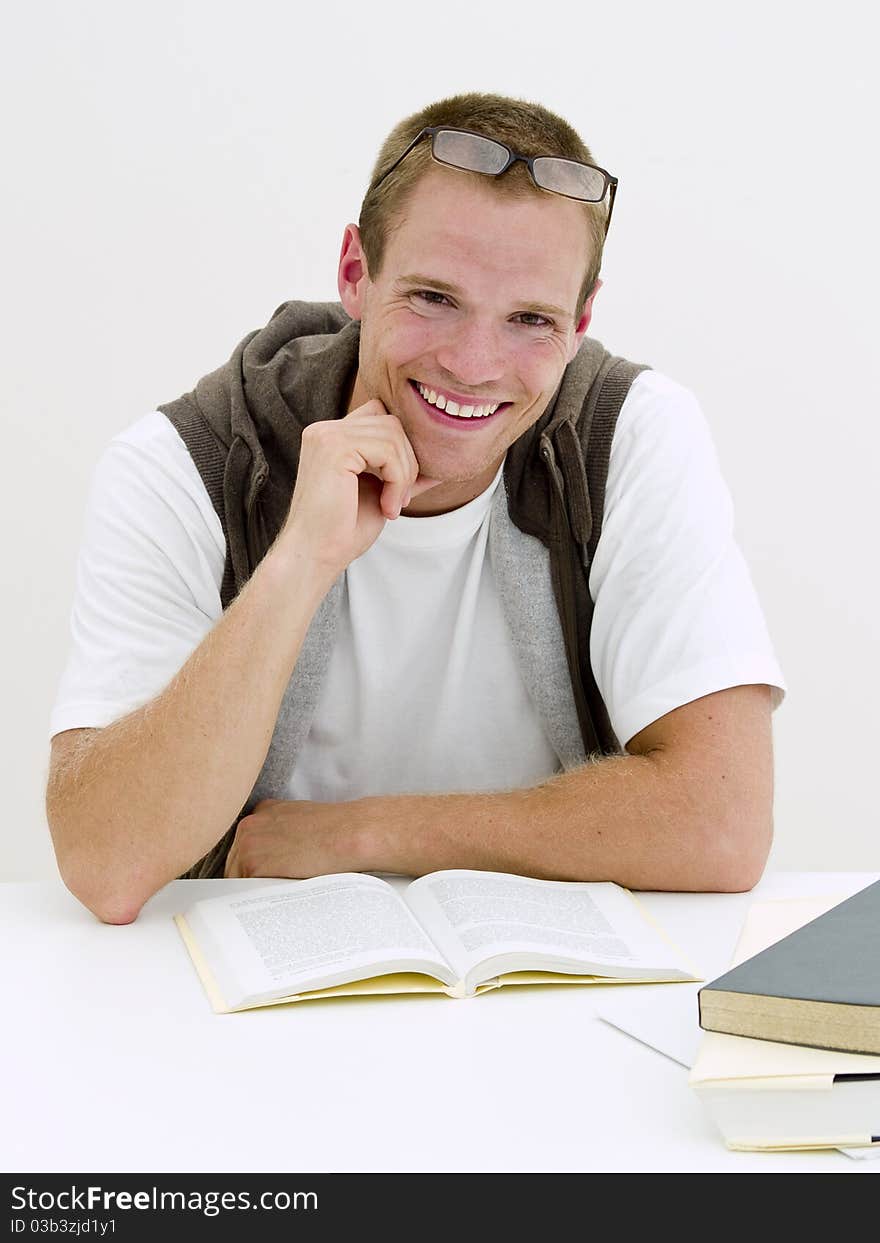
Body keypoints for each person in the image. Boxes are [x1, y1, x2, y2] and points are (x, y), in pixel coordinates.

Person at [46, 92, 786, 924]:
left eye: (530, 319)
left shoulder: (632, 435)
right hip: (243, 1002)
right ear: (357, 273)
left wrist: (365, 835)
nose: (474, 364)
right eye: (434, 297)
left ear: (580, 322)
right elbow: (105, 864)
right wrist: (299, 562)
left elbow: (722, 824)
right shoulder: (185, 461)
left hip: (546, 987)